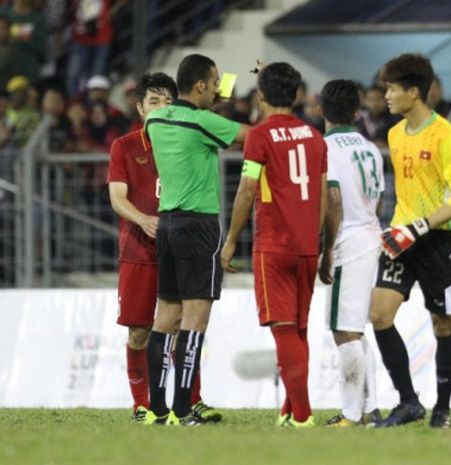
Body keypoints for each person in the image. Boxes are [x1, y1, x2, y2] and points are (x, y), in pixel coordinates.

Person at [107, 72, 222, 423]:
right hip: (140, 250)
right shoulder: (125, 147)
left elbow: (216, 105)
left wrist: (222, 83)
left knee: (186, 325)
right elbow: (116, 198)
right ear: (140, 108)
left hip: (181, 242)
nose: (161, 107)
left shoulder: (188, 136)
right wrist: (142, 219)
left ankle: (191, 399)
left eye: (167, 101)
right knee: (141, 329)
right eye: (153, 101)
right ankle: (142, 403)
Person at [220, 62, 327, 428]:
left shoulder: (259, 137)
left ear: (261, 95)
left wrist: (232, 239)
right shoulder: (315, 137)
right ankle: (289, 409)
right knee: (298, 330)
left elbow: (248, 188)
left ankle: (302, 415)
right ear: (296, 96)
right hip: (308, 244)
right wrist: (321, 239)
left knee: (284, 330)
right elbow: (323, 195)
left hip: (274, 244)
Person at [143, 54, 248, 426]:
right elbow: (253, 137)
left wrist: (212, 97)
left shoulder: (156, 118)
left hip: (167, 223)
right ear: (203, 85)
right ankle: (185, 409)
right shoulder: (204, 121)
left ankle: (156, 408)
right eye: (215, 80)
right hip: (199, 225)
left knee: (165, 317)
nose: (219, 85)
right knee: (195, 319)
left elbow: (190, 111)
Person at [370, 53, 451, 429]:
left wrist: (417, 228)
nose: (387, 97)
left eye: (393, 90)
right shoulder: (395, 134)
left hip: (439, 242)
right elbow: (407, 192)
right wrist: (397, 228)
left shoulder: (446, 136)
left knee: (442, 324)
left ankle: (442, 408)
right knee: (379, 314)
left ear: (414, 92)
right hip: (403, 238)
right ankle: (409, 401)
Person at [317, 79, 383, 428]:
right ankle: (370, 409)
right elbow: (381, 198)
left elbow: (333, 201)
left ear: (320, 109)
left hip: (348, 240)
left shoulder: (326, 148)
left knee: (343, 331)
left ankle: (351, 413)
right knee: (355, 330)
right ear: (357, 112)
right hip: (371, 233)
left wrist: (326, 250)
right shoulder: (370, 147)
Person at [0, 0, 46, 84]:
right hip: (4, 68)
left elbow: (40, 45)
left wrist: (18, 34)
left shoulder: (37, 18)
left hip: (27, 69)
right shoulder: (3, 12)